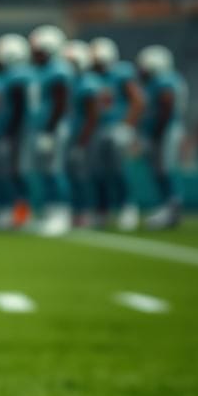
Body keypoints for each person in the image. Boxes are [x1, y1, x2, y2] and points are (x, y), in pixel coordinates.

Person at [89, 37, 144, 230]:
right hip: (97, 129)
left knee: (118, 170)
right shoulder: (92, 77)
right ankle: (101, 210)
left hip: (115, 128)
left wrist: (126, 126)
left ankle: (127, 206)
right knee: (97, 172)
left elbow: (138, 101)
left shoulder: (120, 74)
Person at [29, 24, 74, 237]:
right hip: (44, 128)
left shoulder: (58, 70)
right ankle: (50, 212)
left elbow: (60, 104)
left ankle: (61, 214)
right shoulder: (42, 70)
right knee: (46, 171)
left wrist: (49, 130)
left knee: (55, 170)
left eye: (39, 51)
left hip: (54, 128)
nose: (35, 55)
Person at [136, 45, 187, 230]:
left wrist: (157, 132)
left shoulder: (163, 80)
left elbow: (166, 105)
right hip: (164, 130)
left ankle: (172, 207)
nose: (141, 71)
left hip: (165, 131)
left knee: (165, 169)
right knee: (160, 170)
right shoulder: (164, 80)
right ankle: (167, 205)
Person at [0, 34, 37, 230]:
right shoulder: (27, 73)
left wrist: (9, 131)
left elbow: (18, 107)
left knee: (18, 171)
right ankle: (18, 211)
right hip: (23, 130)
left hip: (19, 131)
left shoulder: (17, 75)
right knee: (15, 171)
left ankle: (22, 212)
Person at [62, 40, 103, 227]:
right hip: (73, 135)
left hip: (85, 137)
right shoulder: (72, 82)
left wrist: (82, 142)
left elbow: (92, 116)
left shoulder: (88, 83)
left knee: (84, 176)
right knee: (73, 175)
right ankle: (76, 211)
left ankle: (86, 211)